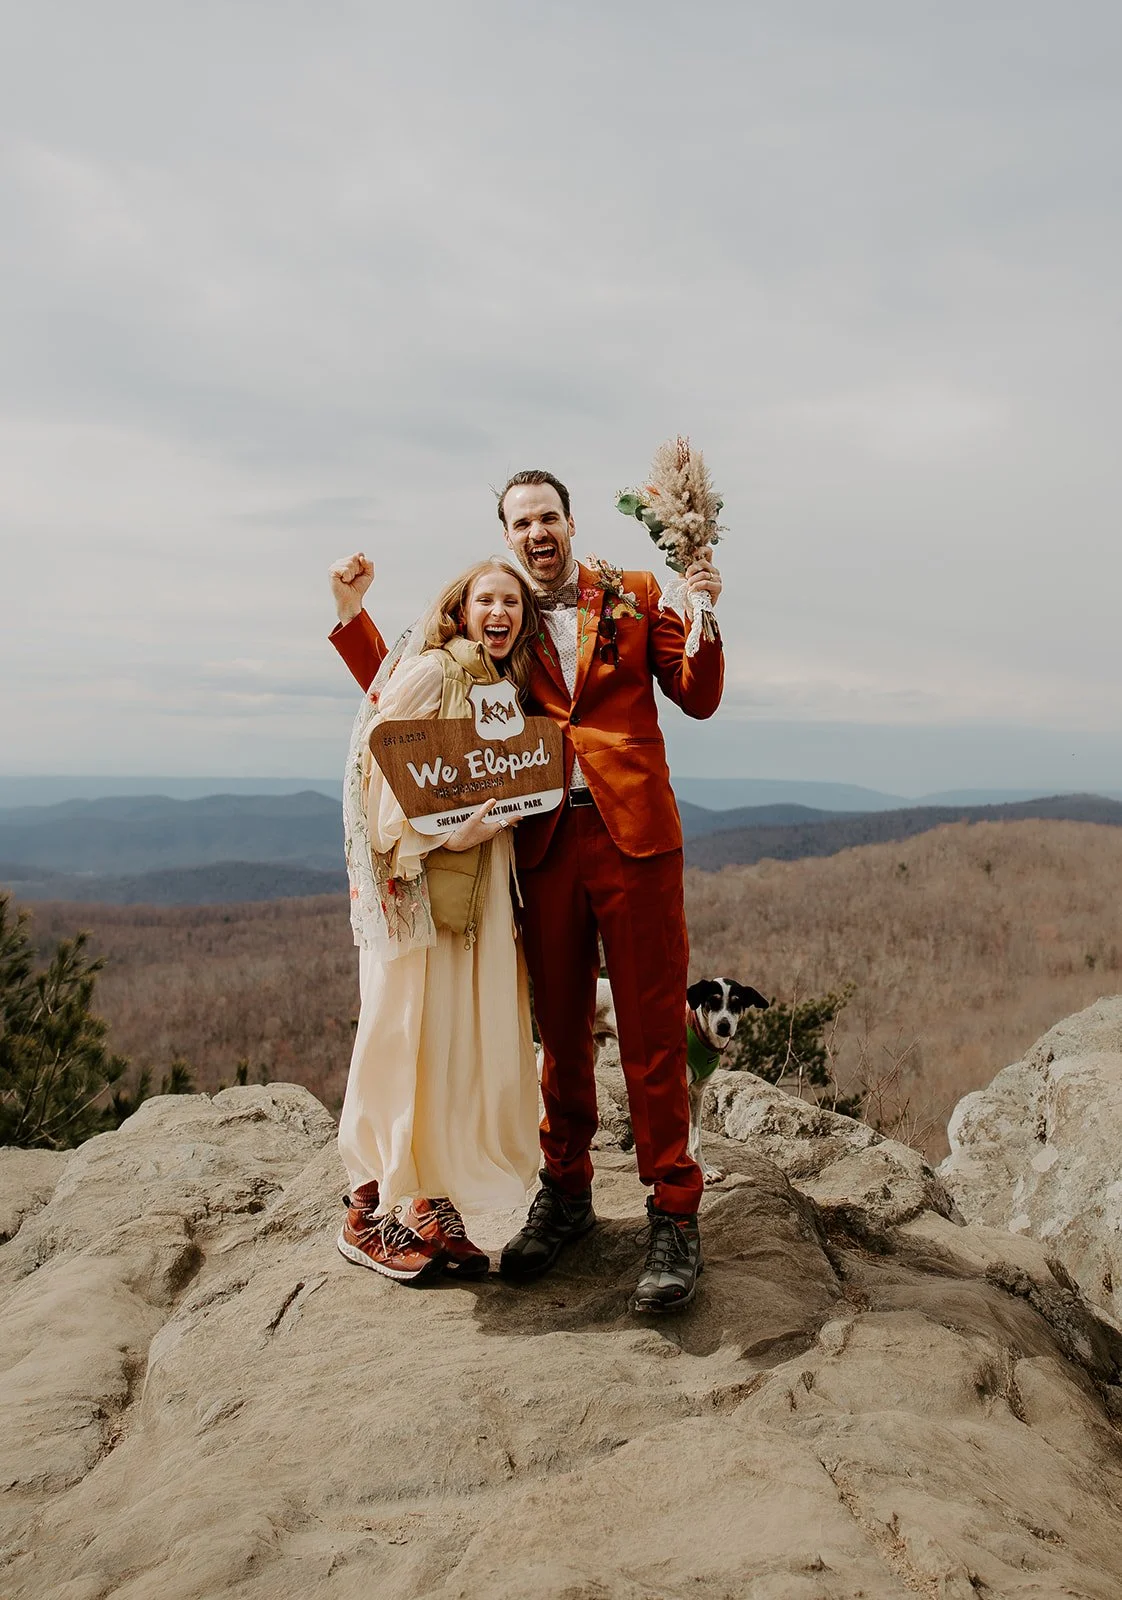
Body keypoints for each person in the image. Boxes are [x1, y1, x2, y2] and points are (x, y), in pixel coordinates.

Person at [329, 470, 723, 1312]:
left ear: (572, 523)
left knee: (654, 1029)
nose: (536, 532)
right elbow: (409, 700)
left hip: (636, 842)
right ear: (506, 536)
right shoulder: (497, 625)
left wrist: (705, 613)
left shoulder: (635, 594)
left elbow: (698, 697)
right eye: (520, 522)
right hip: (542, 846)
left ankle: (674, 1212)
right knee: (561, 1029)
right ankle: (568, 1194)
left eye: (548, 516)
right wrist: (349, 617)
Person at [335, 560, 542, 1284]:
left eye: (512, 601)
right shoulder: (431, 671)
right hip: (420, 888)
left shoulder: (504, 693)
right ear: (459, 608)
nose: (499, 610)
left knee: (450, 1048)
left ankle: (431, 1201)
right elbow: (376, 765)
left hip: (478, 896)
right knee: (402, 1035)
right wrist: (436, 837)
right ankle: (366, 1211)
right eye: (486, 597)